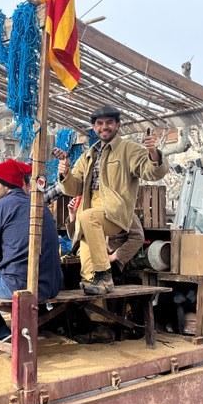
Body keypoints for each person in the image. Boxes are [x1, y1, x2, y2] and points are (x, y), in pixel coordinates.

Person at [55, 105, 167, 295]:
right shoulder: (89, 154)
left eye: (109, 123)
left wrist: (153, 153)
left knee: (88, 218)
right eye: (99, 123)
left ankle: (105, 275)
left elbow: (151, 171)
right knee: (88, 278)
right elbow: (73, 187)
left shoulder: (128, 149)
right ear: (93, 127)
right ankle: (99, 320)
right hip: (90, 213)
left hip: (113, 210)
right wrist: (65, 172)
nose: (104, 127)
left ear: (117, 125)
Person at [0, 159, 63, 339]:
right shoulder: (39, 204)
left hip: (21, 284)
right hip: (52, 284)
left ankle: (2, 334)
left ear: (6, 184)